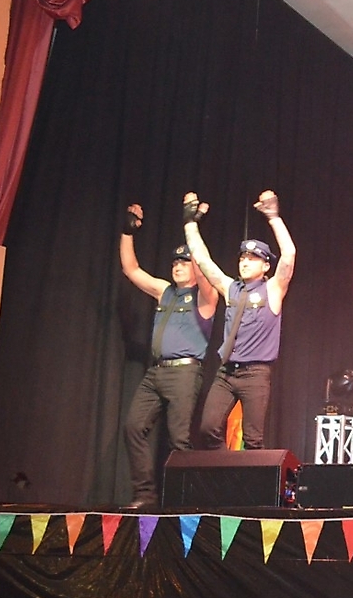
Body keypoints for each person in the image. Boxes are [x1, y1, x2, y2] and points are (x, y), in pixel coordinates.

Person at [118, 203, 219, 507]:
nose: (177, 266)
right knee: (133, 427)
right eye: (175, 262)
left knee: (178, 440)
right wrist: (127, 232)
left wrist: (192, 228)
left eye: (184, 262)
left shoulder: (205, 296)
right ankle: (145, 494)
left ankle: (184, 502)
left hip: (185, 373)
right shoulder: (165, 290)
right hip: (156, 372)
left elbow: (203, 269)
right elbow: (131, 270)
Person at [183, 189, 297, 450]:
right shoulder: (230, 288)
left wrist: (274, 218)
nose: (245, 262)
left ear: (266, 266)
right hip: (226, 372)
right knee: (208, 428)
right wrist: (190, 224)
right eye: (243, 257)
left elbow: (289, 255)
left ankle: (250, 476)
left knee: (253, 439)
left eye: (253, 259)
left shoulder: (273, 289)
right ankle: (228, 470)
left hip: (255, 374)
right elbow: (202, 259)